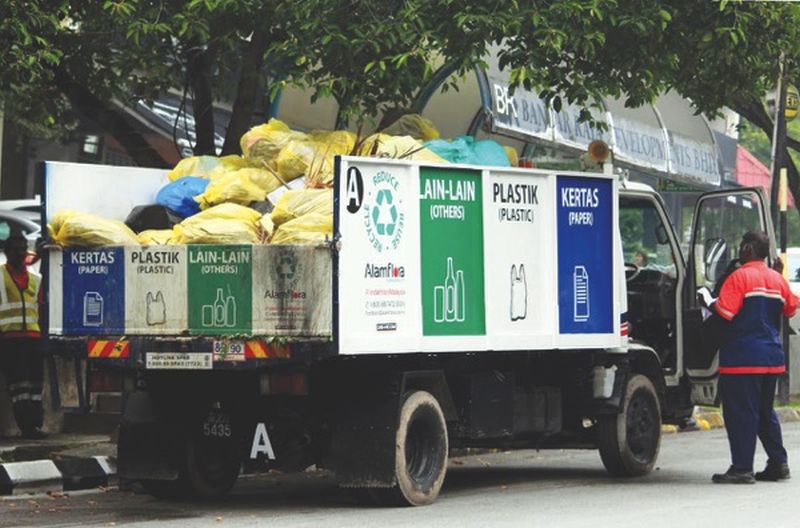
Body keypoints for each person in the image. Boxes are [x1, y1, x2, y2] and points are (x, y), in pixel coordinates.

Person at [707, 230, 797, 484]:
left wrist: (706, 300)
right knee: (764, 412)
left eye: (741, 246)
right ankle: (778, 463)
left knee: (741, 413)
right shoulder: (777, 280)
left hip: (742, 359)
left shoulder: (739, 277)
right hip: (771, 359)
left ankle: (742, 468)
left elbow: (725, 312)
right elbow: (790, 308)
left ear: (747, 249)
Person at [0, 234, 45, 439]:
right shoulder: (0, 276)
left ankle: (35, 424)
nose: (20, 253)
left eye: (23, 249)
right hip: (10, 338)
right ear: (7, 252)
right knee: (19, 386)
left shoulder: (35, 279)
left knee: (36, 384)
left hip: (33, 337)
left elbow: (41, 308)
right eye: (16, 249)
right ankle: (26, 426)